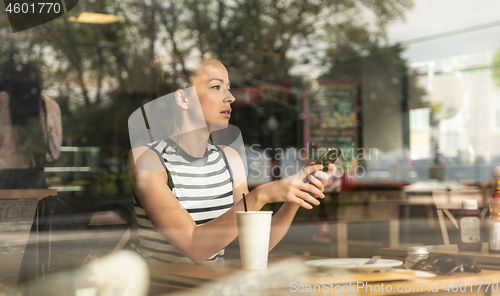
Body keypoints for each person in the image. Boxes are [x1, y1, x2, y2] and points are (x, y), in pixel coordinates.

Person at [127, 59, 335, 264]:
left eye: (228, 87)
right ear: (183, 99)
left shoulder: (229, 159)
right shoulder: (148, 159)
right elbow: (194, 246)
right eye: (216, 87)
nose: (231, 97)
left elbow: (252, 246)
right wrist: (260, 196)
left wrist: (296, 195)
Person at [0, 56, 62, 189]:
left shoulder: (2, 102)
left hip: (2, 171)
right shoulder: (49, 105)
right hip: (33, 175)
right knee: (35, 209)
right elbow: (53, 152)